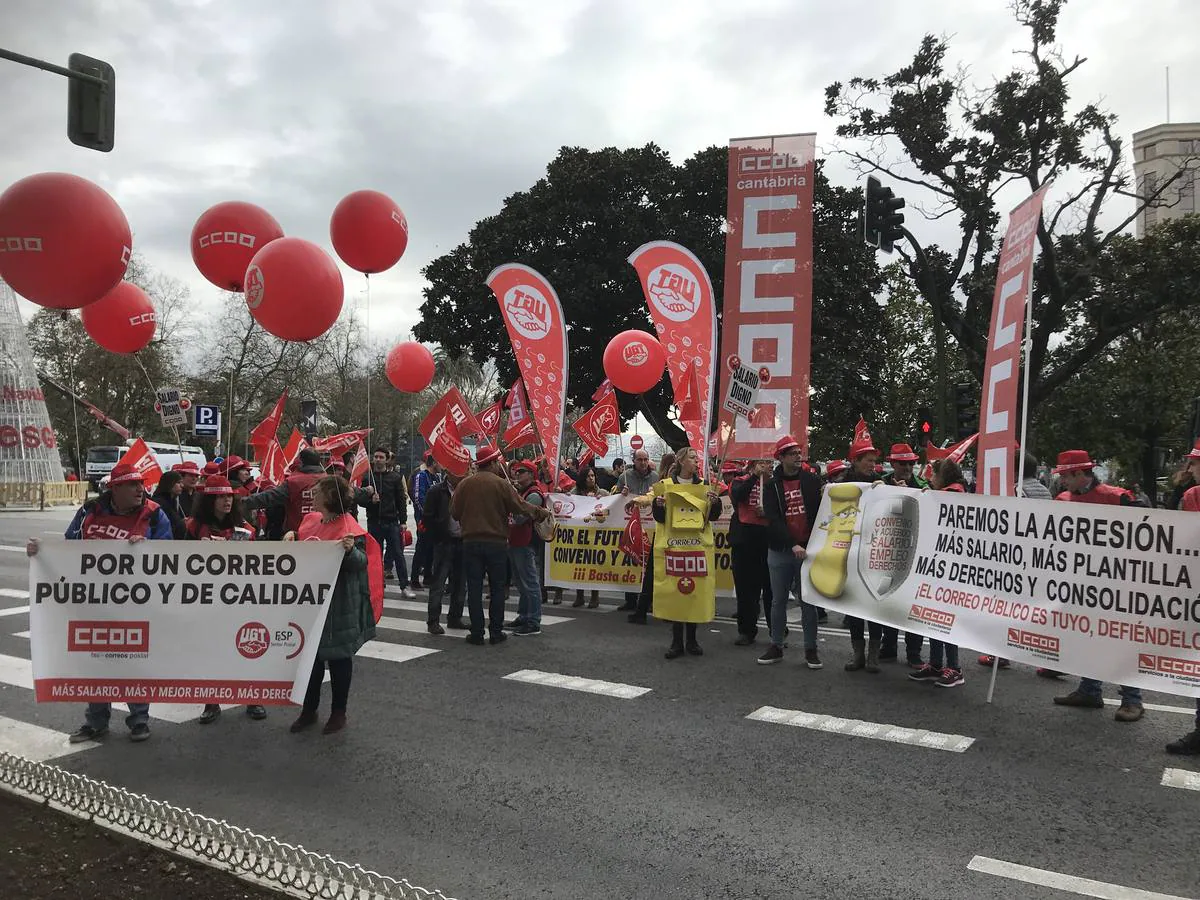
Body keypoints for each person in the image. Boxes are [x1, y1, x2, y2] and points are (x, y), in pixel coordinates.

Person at [27, 463, 173, 744]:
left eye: (140, 483)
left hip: (137, 604)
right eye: (132, 485)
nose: (139, 489)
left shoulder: (154, 514)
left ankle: (139, 720)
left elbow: (170, 553)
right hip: (93, 602)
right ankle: (95, 722)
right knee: (96, 662)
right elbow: (70, 546)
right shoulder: (90, 512)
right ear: (114, 489)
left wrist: (148, 547)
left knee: (134, 660)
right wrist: (40, 551)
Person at [1048, 450, 1147, 722]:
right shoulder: (1062, 500)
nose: (1062, 481)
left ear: (1080, 474)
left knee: (1120, 640)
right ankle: (1090, 690)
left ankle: (1132, 699)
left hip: (1117, 583)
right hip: (1081, 583)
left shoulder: (1118, 498)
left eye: (1065, 476)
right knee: (1085, 635)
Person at [286, 476, 377, 735]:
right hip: (311, 601)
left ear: (329, 498)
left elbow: (361, 562)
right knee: (311, 661)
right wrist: (292, 536)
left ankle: (339, 712)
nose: (312, 497)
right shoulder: (311, 522)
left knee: (338, 660)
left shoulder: (348, 527)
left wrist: (350, 551)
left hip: (339, 603)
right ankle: (309, 709)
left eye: (317, 493)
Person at [184, 475, 265, 723]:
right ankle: (211, 702)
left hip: (239, 600)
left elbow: (260, 562)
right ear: (210, 500)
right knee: (210, 651)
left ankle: (253, 699)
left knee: (246, 650)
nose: (226, 501)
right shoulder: (193, 527)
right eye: (220, 497)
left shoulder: (245, 528)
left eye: (229, 496)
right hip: (205, 600)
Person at [450, 446, 550, 645]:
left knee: (475, 588)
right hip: (496, 543)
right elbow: (520, 507)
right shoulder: (501, 484)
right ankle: (495, 631)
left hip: (470, 542)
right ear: (494, 463)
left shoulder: (464, 484)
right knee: (497, 589)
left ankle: (477, 633)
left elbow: (454, 512)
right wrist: (541, 512)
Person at [632, 447, 722, 658]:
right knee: (675, 592)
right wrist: (659, 505)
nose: (696, 462)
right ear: (681, 461)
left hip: (697, 547)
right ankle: (676, 641)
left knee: (694, 593)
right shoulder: (665, 486)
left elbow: (712, 517)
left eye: (697, 458)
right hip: (673, 547)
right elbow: (660, 518)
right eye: (692, 458)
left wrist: (715, 503)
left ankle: (692, 640)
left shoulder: (704, 486)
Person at [756, 437, 823, 668]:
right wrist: (791, 543)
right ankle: (776, 645)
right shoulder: (772, 485)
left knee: (808, 602)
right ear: (781, 458)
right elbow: (772, 519)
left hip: (807, 550)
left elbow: (822, 511)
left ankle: (811, 649)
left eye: (798, 452)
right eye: (791, 453)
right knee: (778, 601)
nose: (797, 456)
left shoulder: (813, 481)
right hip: (781, 550)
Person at [908, 459, 966, 687]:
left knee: (945, 617)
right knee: (934, 616)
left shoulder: (954, 494)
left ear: (944, 477)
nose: (930, 479)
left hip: (949, 567)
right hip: (940, 565)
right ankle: (936, 664)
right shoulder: (946, 492)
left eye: (934, 475)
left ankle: (954, 668)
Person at [838, 433, 891, 672]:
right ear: (856, 461)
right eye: (868, 460)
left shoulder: (880, 482)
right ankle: (858, 654)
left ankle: (873, 657)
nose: (872, 464)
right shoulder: (841, 483)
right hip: (849, 552)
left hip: (873, 553)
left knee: (873, 606)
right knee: (854, 606)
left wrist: (887, 491)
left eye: (873, 460)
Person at [729, 458, 774, 646]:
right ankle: (746, 630)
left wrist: (769, 511)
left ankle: (777, 631)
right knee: (746, 589)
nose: (767, 466)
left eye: (770, 463)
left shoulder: (775, 483)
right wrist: (755, 477)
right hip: (744, 540)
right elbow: (738, 496)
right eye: (763, 463)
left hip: (768, 540)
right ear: (753, 465)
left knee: (772, 589)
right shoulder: (740, 481)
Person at [363, 446, 415, 598]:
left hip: (392, 522)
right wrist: (369, 500)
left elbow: (401, 501)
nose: (378, 459)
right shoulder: (368, 478)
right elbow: (359, 499)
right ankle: (378, 584)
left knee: (398, 554)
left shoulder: (395, 478)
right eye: (376, 457)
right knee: (375, 556)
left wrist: (403, 521)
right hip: (374, 522)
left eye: (381, 457)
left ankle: (404, 586)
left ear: (387, 460)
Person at [505, 461, 547, 635]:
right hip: (516, 541)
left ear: (531, 474)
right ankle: (523, 616)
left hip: (527, 542)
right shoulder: (523, 492)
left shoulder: (534, 495)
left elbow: (520, 517)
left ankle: (533, 620)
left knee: (530, 582)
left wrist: (512, 501)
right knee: (521, 582)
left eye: (521, 471)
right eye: (516, 471)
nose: (517, 474)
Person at [424, 470, 467, 632]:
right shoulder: (436, 491)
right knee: (439, 583)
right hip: (444, 542)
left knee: (460, 583)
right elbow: (428, 517)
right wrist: (438, 535)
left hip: (463, 540)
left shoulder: (466, 489)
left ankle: (455, 617)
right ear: (449, 472)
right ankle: (433, 620)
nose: (461, 474)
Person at [572, 468, 602, 609]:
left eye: (593, 476)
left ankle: (595, 596)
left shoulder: (602, 493)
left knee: (593, 565)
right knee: (580, 565)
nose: (591, 478)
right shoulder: (575, 493)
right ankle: (580, 596)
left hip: (596, 536)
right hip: (580, 535)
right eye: (588, 476)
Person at [410, 455, 441, 589]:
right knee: (421, 549)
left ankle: (428, 575)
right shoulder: (422, 476)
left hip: (436, 520)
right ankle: (415, 578)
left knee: (432, 549)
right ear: (433, 463)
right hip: (424, 520)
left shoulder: (437, 478)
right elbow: (418, 497)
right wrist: (427, 515)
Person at [151, 470, 188, 539]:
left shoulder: (173, 503)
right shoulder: (158, 504)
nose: (182, 486)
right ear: (169, 483)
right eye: (178, 482)